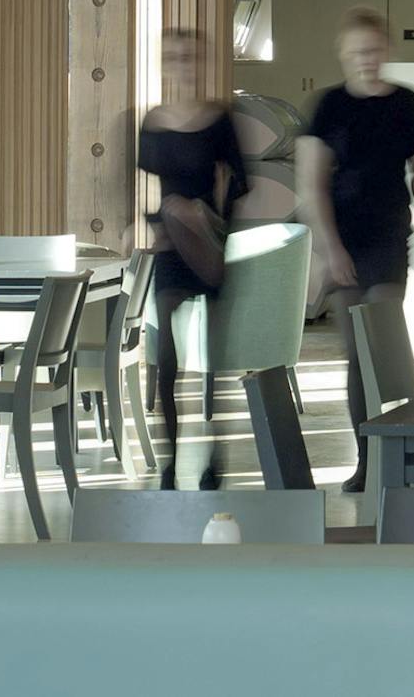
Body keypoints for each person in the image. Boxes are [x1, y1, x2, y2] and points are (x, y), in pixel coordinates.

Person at [135, 25, 246, 484]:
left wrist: (208, 211)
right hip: (169, 243)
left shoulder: (220, 119)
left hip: (211, 241)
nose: (183, 64)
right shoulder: (154, 121)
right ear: (164, 64)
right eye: (174, 57)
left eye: (191, 56)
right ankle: (169, 459)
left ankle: (216, 453)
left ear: (202, 63)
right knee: (166, 356)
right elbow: (143, 189)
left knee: (215, 358)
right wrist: (156, 222)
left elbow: (241, 182)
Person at [297, 8, 414, 310]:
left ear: (387, 50)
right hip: (340, 231)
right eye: (357, 52)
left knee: (382, 328)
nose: (366, 59)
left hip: (388, 232)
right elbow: (312, 186)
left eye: (373, 50)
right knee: (356, 347)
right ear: (343, 54)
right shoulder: (328, 106)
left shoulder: (408, 104)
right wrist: (332, 249)